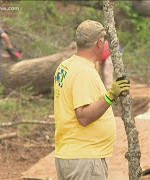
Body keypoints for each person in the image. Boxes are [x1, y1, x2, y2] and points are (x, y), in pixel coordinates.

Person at [53, 20, 130, 180]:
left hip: (70, 155)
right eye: (104, 40)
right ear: (99, 42)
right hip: (84, 160)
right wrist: (111, 96)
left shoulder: (65, 66)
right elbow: (83, 116)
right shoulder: (83, 72)